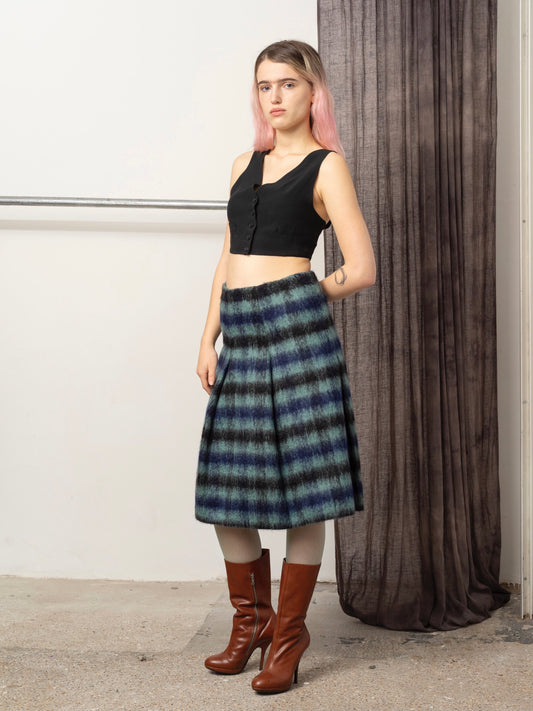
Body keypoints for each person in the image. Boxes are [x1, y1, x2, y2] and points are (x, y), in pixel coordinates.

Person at [194, 39, 376, 695]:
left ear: (313, 92)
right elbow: (227, 258)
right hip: (241, 337)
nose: (274, 97)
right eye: (264, 85)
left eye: (288, 84)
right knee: (226, 490)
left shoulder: (328, 166)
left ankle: (289, 637)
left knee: (306, 490)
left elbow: (361, 267)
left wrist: (296, 295)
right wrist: (207, 337)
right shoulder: (243, 163)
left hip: (298, 337)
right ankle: (253, 623)